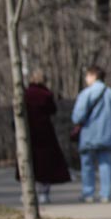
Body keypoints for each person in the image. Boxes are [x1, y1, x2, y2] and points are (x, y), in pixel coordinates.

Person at [71, 65, 111, 203]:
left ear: (93, 76)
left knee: (87, 165)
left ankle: (88, 193)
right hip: (107, 135)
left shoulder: (86, 94)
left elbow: (77, 117)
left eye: (87, 76)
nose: (86, 79)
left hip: (89, 135)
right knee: (105, 164)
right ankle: (105, 194)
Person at [21, 70, 71, 204]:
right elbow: (52, 110)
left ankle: (28, 191)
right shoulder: (46, 94)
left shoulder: (25, 93)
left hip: (28, 131)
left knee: (29, 161)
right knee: (45, 163)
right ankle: (44, 192)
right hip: (44, 131)